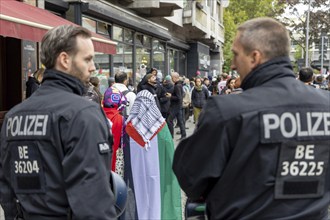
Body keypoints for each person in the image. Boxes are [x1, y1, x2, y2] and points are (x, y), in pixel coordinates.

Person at [173, 17, 330, 219]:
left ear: (254, 57)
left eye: (236, 55)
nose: (233, 64)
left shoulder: (227, 111)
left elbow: (191, 178)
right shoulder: (326, 107)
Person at [0, 25, 117, 219]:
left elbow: (6, 189)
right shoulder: (83, 114)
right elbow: (93, 199)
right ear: (64, 60)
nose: (93, 67)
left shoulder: (13, 116)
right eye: (87, 59)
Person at [167, 72, 186, 140]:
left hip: (176, 106)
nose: (171, 79)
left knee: (169, 120)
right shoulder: (179, 85)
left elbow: (179, 97)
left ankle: (171, 136)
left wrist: (171, 96)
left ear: (175, 78)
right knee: (180, 121)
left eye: (172, 78)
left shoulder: (177, 85)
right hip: (178, 106)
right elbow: (182, 95)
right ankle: (183, 135)